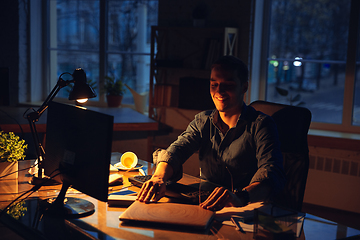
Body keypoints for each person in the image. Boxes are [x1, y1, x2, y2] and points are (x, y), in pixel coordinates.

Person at [137, 55, 286, 211]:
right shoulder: (203, 120)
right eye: (214, 84)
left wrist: (239, 197)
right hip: (206, 204)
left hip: (244, 208)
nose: (219, 91)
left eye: (228, 84)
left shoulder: (261, 125)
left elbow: (271, 173)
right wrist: (158, 177)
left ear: (244, 87)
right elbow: (178, 149)